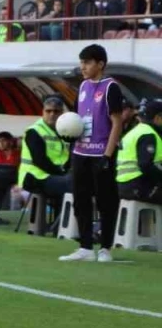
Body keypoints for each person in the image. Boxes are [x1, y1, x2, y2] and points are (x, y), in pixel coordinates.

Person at [61, 44, 124, 262]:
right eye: (81, 63)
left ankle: (105, 248)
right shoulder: (83, 86)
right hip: (81, 153)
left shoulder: (111, 87)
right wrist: (70, 138)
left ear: (100, 64)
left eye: (87, 62)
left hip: (101, 154)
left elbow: (117, 123)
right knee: (81, 200)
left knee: (106, 202)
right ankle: (85, 247)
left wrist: (108, 155)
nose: (83, 67)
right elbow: (77, 119)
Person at [19, 97, 73, 210]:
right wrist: (62, 173)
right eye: (48, 111)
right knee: (72, 185)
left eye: (56, 111)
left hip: (52, 175)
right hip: (34, 177)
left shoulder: (65, 130)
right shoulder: (34, 131)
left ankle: (63, 219)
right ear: (43, 112)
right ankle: (63, 220)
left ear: (62, 113)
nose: (52, 114)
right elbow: (39, 160)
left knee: (80, 182)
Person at [116, 97, 162, 204]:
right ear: (157, 118)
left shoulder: (137, 131)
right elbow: (146, 165)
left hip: (125, 186)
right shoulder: (148, 134)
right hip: (139, 186)